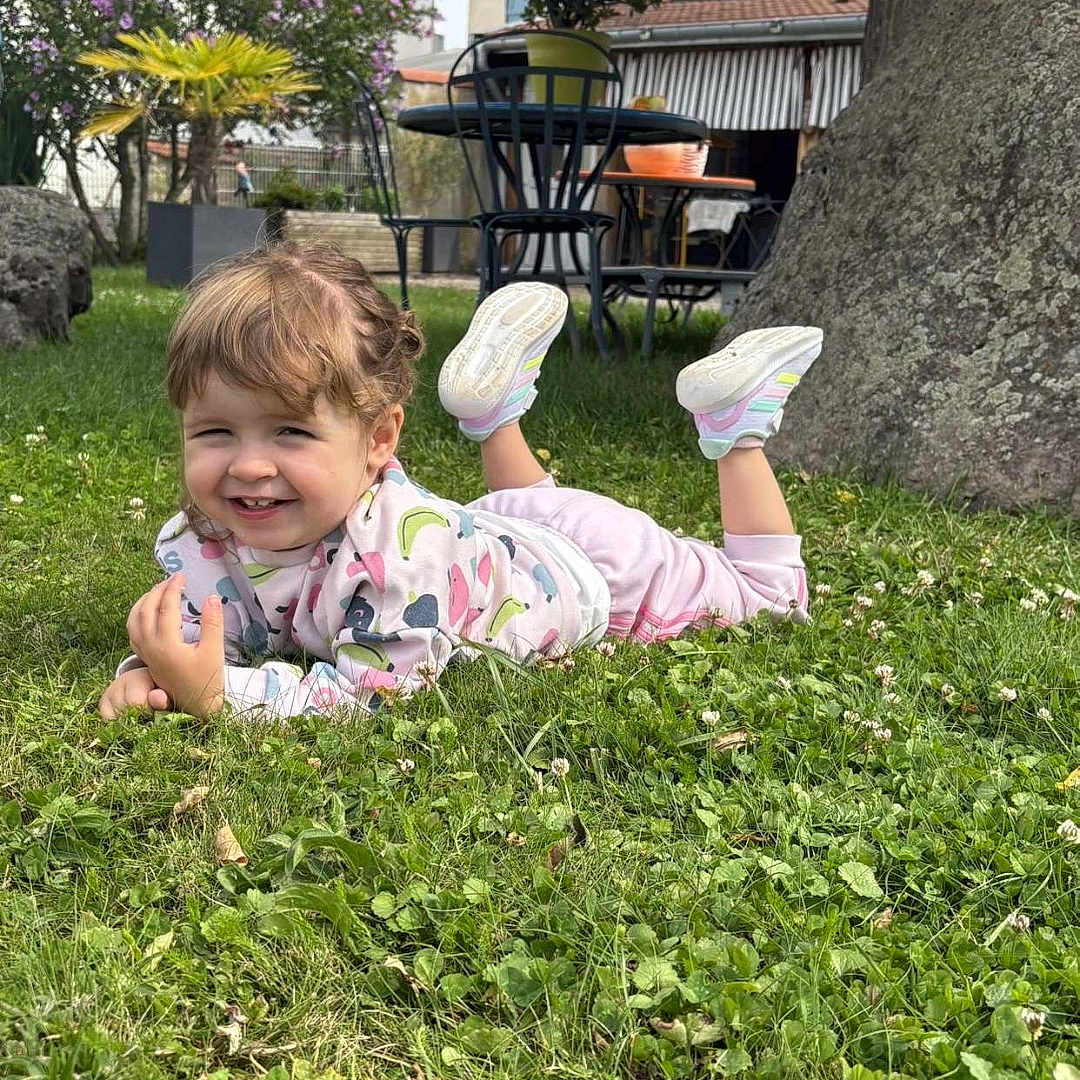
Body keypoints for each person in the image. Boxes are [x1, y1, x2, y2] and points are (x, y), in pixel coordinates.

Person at [98, 242, 820, 721]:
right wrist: (154, 671)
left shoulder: (394, 565)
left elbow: (373, 694)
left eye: (290, 431)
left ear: (379, 439)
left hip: (601, 571)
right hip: (499, 527)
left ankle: (736, 429)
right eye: (214, 432)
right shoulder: (204, 536)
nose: (247, 465)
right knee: (515, 514)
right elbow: (204, 632)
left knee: (768, 597)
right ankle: (493, 416)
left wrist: (221, 696)